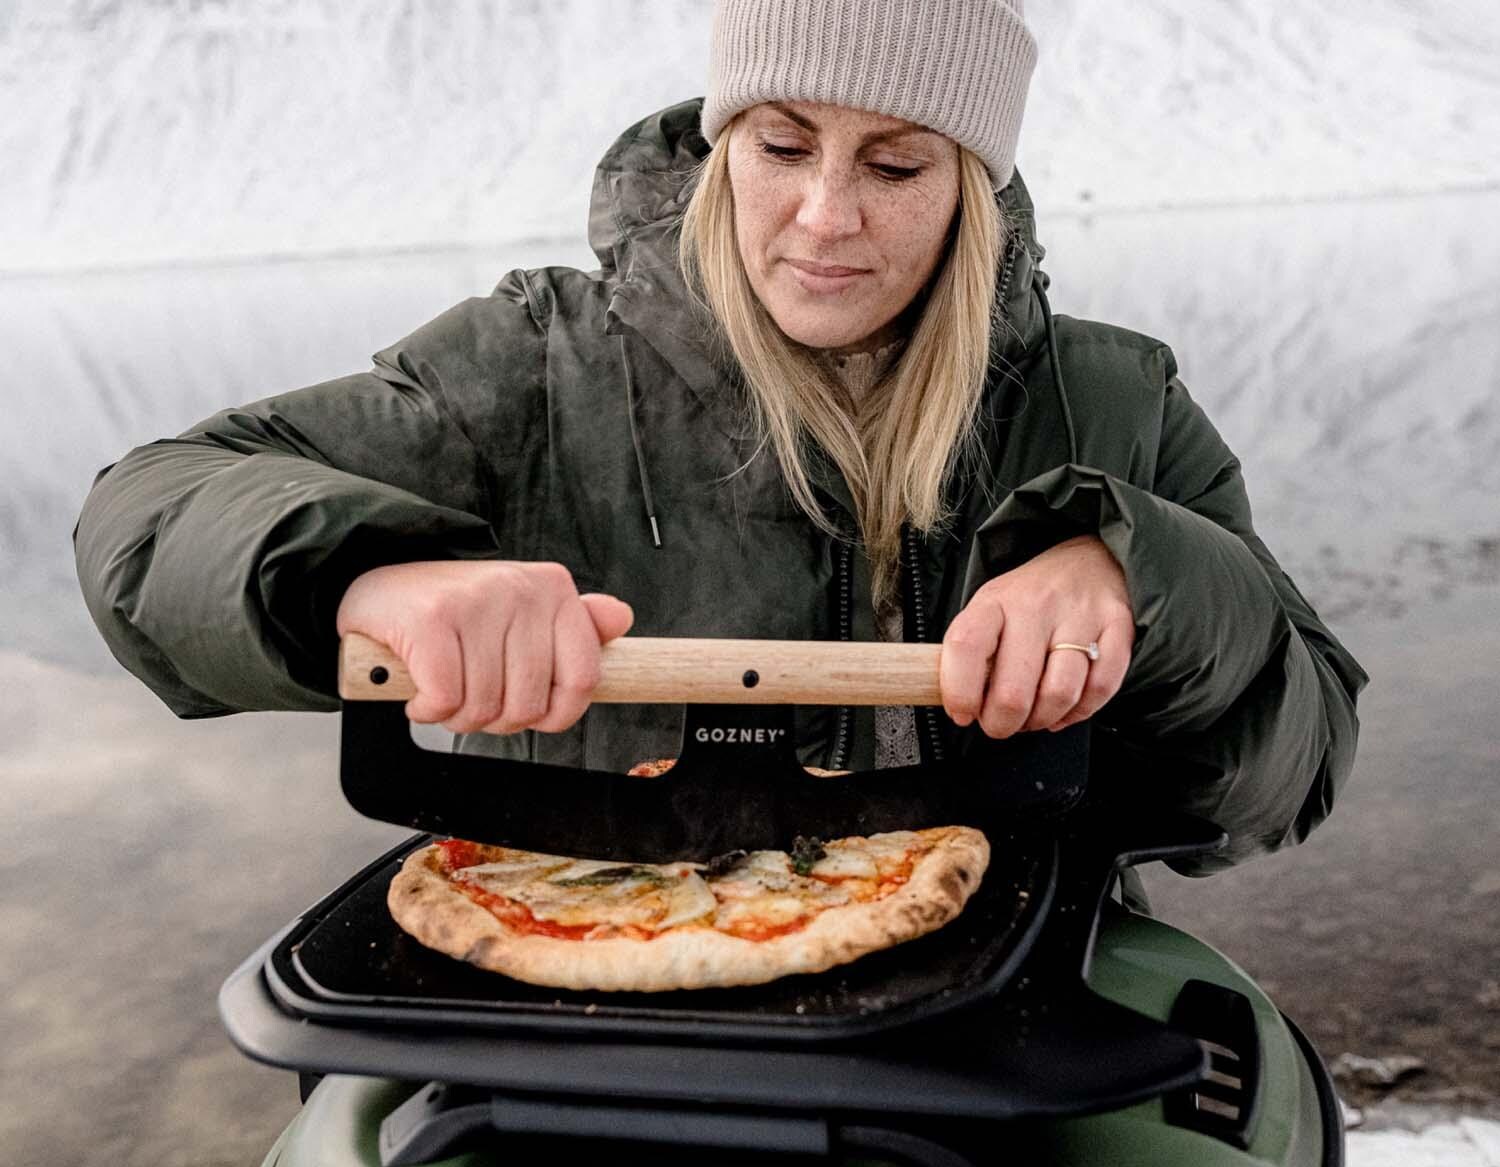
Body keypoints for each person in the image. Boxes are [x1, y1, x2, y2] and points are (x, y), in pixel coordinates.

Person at [74, 0, 1365, 886]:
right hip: (603, 996)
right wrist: (373, 575)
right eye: (784, 145)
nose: (824, 216)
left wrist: (1138, 583)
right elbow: (144, 516)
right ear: (720, 143)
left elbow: (1298, 768)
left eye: (898, 166)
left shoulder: (1113, 397)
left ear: (971, 185)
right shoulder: (539, 365)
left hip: (1006, 1010)